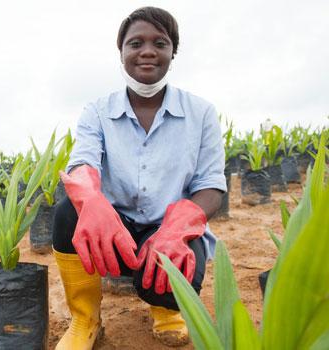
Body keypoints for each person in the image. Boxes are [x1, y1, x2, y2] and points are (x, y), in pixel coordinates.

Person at [53, 7, 226, 349]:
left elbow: (211, 186)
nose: (147, 51)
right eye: (135, 43)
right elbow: (82, 163)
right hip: (115, 232)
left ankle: (166, 312)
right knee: (67, 214)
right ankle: (85, 318)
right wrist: (91, 201)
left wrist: (177, 227)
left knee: (180, 273)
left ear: (172, 53)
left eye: (159, 43)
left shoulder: (201, 112)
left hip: (167, 231)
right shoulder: (98, 111)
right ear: (122, 53)